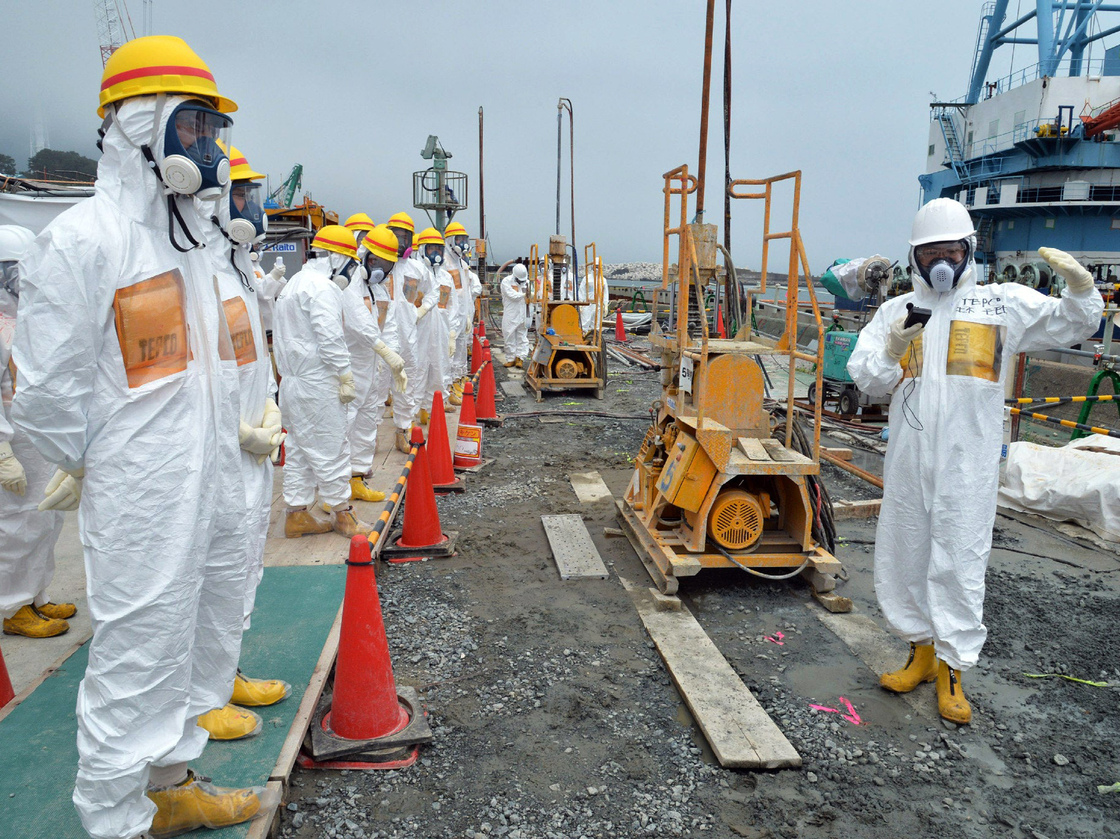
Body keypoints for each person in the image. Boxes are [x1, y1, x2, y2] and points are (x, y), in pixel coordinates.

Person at [12, 35, 271, 839]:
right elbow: (45, 384)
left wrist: (245, 431)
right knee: (136, 653)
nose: (207, 149)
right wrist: (90, 462)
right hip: (142, 487)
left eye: (210, 133)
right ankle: (114, 816)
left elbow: (216, 365)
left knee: (191, 628)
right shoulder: (88, 239)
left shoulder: (191, 247)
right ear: (137, 127)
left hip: (207, 476)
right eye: (192, 129)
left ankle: (169, 783)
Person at [847, 198, 1103, 725]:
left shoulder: (999, 304)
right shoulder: (896, 313)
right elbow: (867, 382)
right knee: (907, 546)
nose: (942, 262)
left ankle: (953, 668)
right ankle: (919, 651)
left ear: (968, 253)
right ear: (915, 258)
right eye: (931, 252)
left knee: (961, 556)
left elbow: (1074, 324)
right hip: (911, 457)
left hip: (970, 458)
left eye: (951, 251)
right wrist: (895, 346)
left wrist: (1081, 287)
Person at [190, 144, 290, 742]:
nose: (251, 204)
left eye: (254, 194)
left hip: (252, 444)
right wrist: (236, 427)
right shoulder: (202, 265)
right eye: (243, 194)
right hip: (223, 450)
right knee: (211, 571)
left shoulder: (236, 266)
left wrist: (269, 401)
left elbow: (251, 356)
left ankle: (224, 674)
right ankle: (200, 695)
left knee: (241, 567)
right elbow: (200, 370)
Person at [273, 224, 374, 539]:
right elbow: (329, 336)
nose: (349, 271)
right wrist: (345, 374)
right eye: (348, 263)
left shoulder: (293, 284)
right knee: (333, 445)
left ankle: (296, 515)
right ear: (334, 258)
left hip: (291, 383)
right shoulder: (322, 288)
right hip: (318, 383)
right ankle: (343, 514)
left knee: (301, 449)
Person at [0, 224, 73, 638]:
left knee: (43, 520)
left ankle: (35, 595)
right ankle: (12, 607)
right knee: (14, 526)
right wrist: (1, 452)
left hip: (34, 436)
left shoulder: (23, 319)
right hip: (11, 442)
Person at [339, 223, 407, 499]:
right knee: (345, 425)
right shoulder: (349, 285)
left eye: (387, 264)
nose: (380, 268)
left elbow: (387, 327)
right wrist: (385, 352)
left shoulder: (378, 291)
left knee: (367, 423)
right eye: (376, 260)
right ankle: (336, 487)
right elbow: (360, 324)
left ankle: (357, 480)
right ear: (365, 256)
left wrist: (394, 358)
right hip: (349, 367)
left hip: (371, 366)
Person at [386, 212, 425, 452]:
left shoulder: (417, 269)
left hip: (408, 335)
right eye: (396, 236)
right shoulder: (380, 264)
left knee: (405, 383)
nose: (400, 242)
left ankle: (403, 429)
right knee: (373, 391)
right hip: (381, 338)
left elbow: (431, 292)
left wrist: (424, 308)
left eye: (405, 237)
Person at [413, 227, 455, 418]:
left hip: (442, 331)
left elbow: (452, 305)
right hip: (420, 332)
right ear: (422, 250)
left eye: (439, 250)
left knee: (439, 370)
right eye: (431, 249)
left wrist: (452, 333)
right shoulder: (416, 273)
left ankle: (431, 412)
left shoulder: (446, 276)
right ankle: (415, 413)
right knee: (418, 372)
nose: (436, 254)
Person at [442, 221, 478, 404]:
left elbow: (466, 292)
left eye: (464, 239)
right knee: (448, 353)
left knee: (461, 351)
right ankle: (448, 388)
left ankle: (458, 381)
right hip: (450, 316)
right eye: (459, 239)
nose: (463, 243)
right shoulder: (444, 262)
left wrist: (469, 315)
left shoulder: (462, 263)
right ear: (449, 240)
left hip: (463, 315)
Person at [501, 263, 530, 368]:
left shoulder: (527, 282)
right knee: (509, 335)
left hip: (523, 313)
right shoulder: (506, 282)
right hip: (511, 313)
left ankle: (520, 358)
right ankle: (510, 358)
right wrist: (524, 295)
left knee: (522, 337)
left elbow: (531, 297)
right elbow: (511, 295)